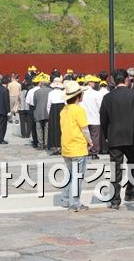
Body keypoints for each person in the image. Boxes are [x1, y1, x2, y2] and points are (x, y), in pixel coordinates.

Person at [101, 69, 134, 209]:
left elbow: (103, 119)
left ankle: (115, 200)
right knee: (133, 165)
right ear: (127, 79)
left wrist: (106, 136)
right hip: (133, 136)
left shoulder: (108, 98)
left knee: (115, 168)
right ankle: (131, 192)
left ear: (114, 81)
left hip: (115, 137)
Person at [60, 80, 92, 212]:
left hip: (66, 147)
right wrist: (90, 141)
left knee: (70, 175)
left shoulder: (64, 110)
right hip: (78, 147)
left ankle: (66, 199)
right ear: (78, 96)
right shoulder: (79, 110)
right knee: (77, 176)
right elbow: (85, 129)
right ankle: (75, 202)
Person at [80, 75, 105, 160]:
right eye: (93, 82)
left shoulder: (81, 93)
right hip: (94, 117)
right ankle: (94, 152)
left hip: (83, 118)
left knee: (85, 135)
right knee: (95, 136)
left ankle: (86, 151)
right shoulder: (96, 94)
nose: (94, 83)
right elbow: (100, 106)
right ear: (90, 83)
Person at [47, 77, 65, 154]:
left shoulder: (50, 93)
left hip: (53, 110)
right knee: (62, 128)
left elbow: (48, 105)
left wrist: (50, 114)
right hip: (62, 109)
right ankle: (62, 146)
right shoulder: (63, 92)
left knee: (54, 129)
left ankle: (56, 147)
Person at [34, 74, 52, 151]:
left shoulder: (36, 92)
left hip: (38, 112)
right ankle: (46, 143)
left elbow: (35, 103)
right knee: (47, 128)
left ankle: (40, 144)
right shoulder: (51, 91)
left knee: (39, 128)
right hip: (47, 112)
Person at [0, 76, 11, 144]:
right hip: (2, 110)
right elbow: (6, 101)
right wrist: (8, 111)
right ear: (7, 83)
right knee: (2, 126)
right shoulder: (5, 90)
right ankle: (0, 139)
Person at [26, 75, 42, 149]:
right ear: (39, 83)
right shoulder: (42, 90)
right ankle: (42, 141)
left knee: (33, 125)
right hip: (41, 107)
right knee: (41, 125)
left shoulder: (30, 91)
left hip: (32, 108)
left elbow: (27, 102)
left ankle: (35, 141)